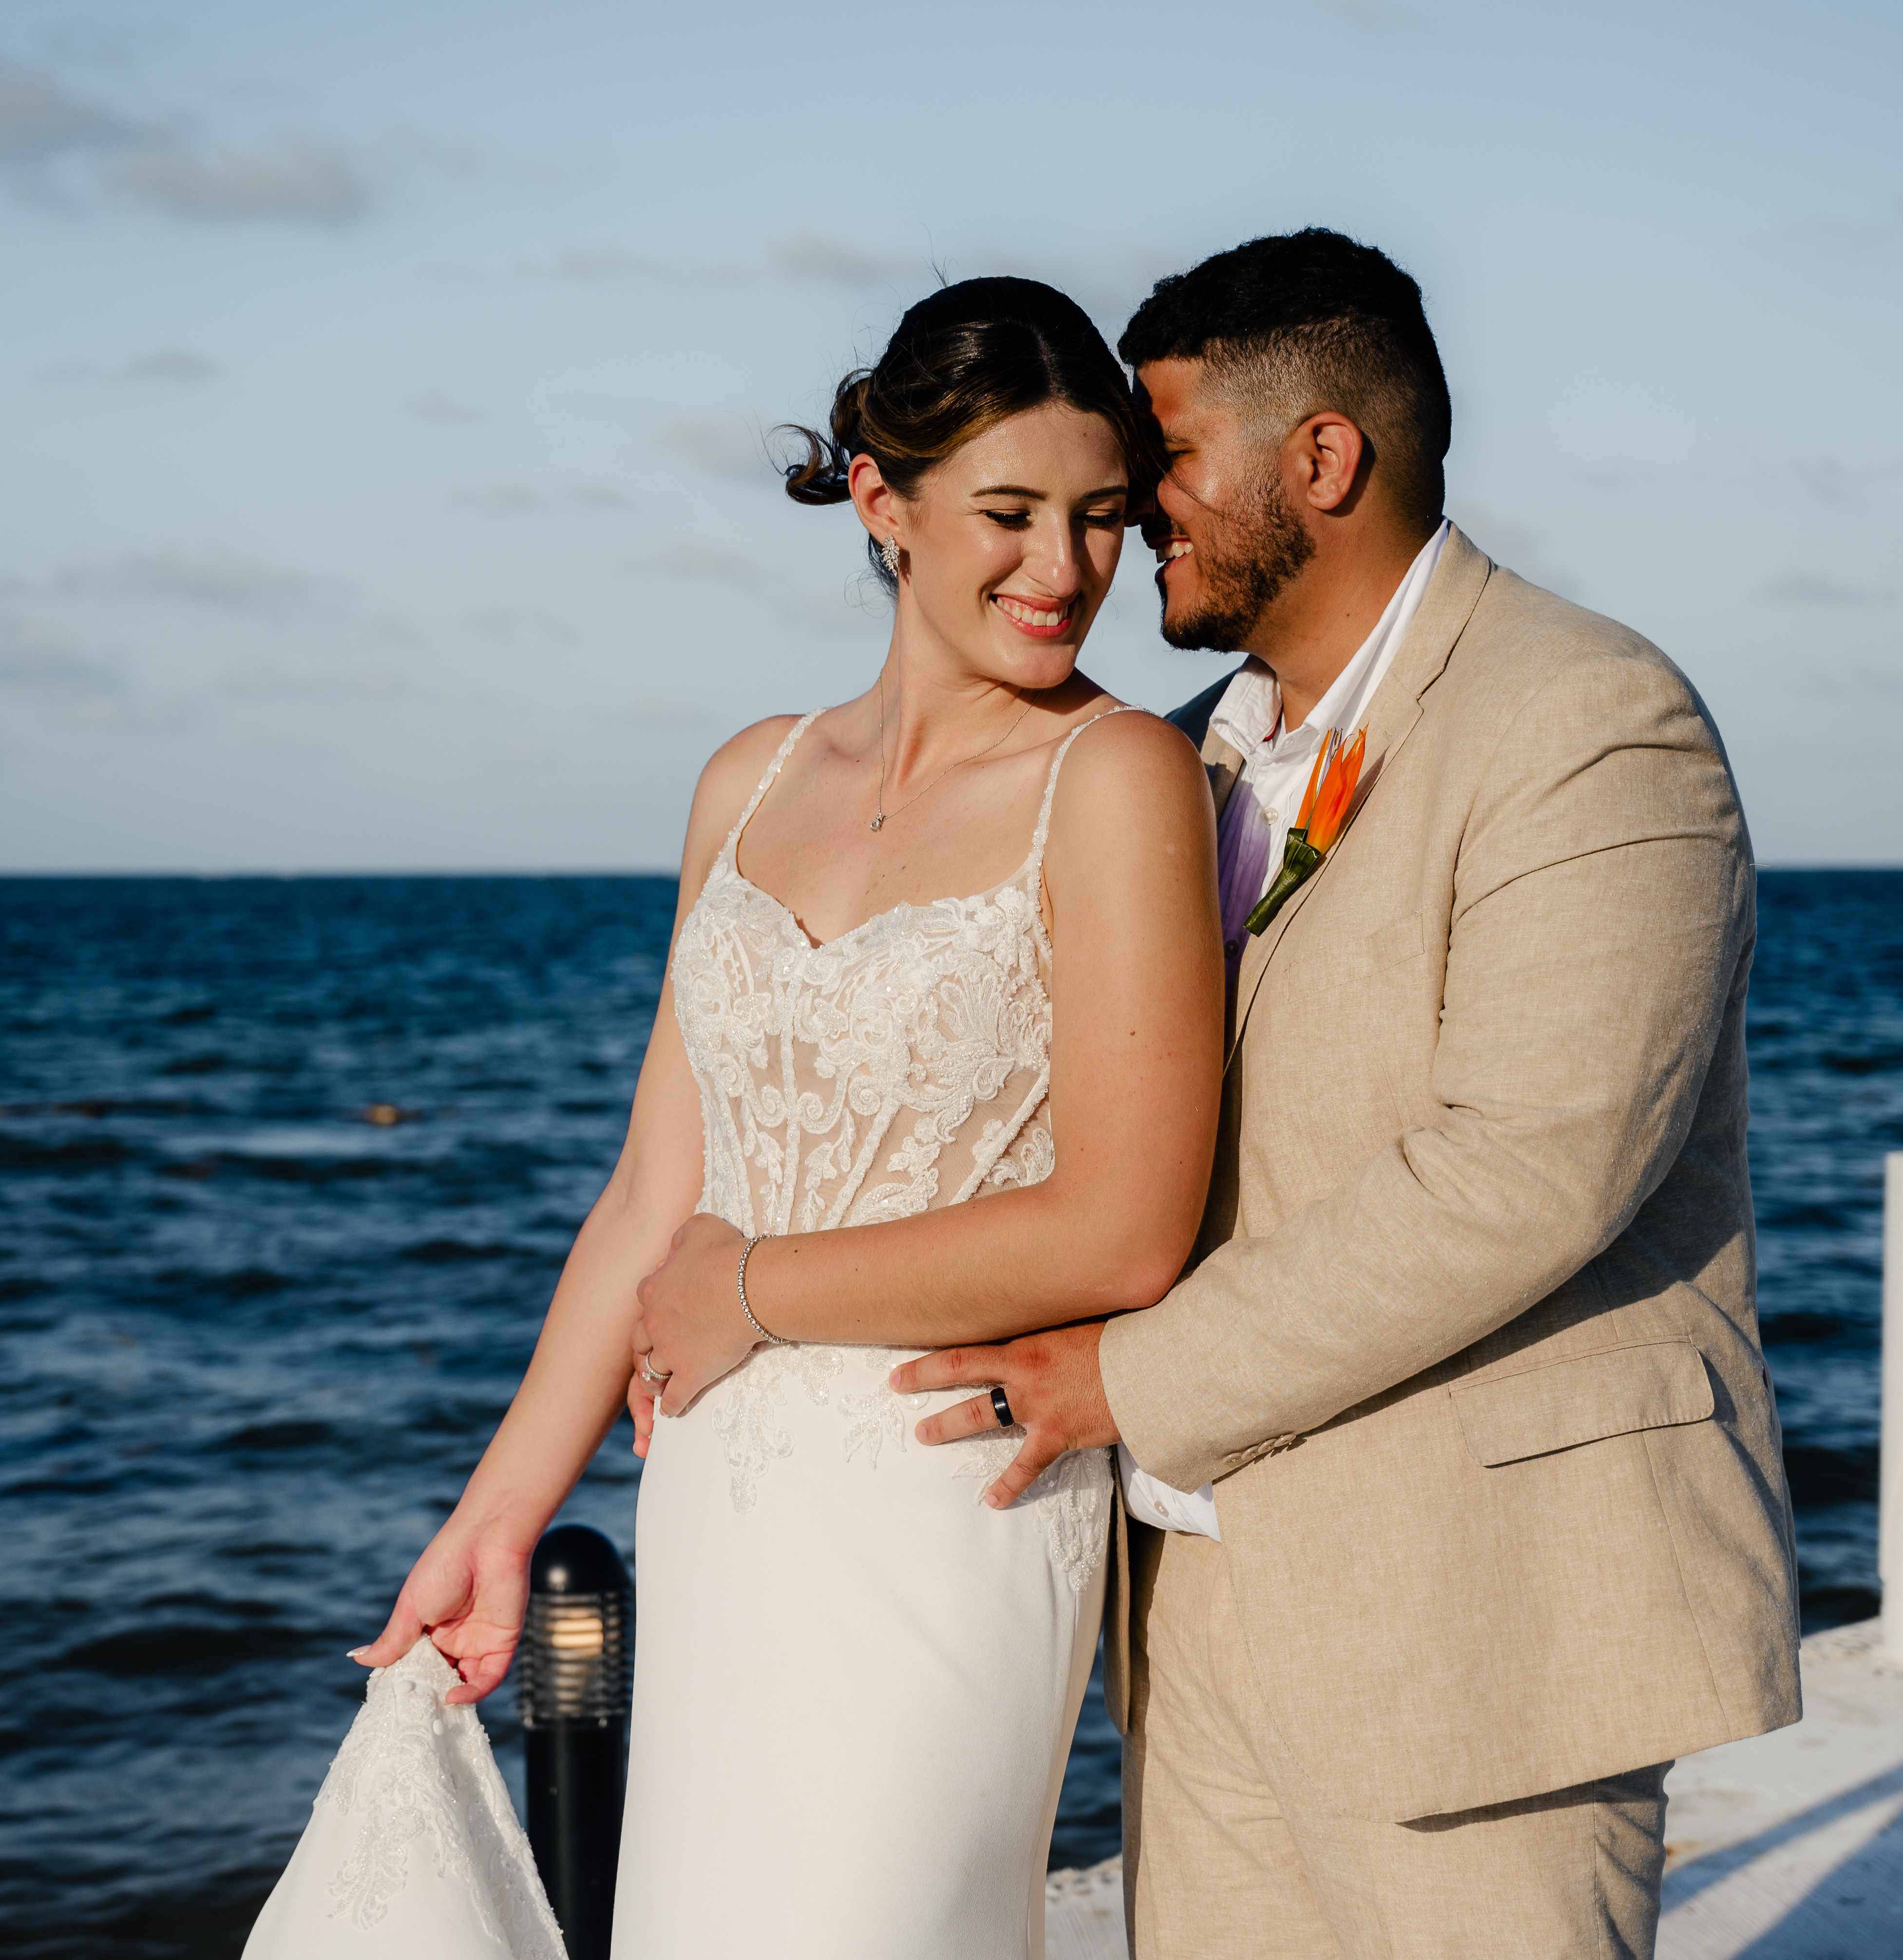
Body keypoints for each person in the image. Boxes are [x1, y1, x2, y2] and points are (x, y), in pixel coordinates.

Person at [861, 230, 1805, 1958]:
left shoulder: (1589, 719)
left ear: (1323, 458)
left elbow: (1528, 1168)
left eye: (1171, 456)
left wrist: (1122, 1380)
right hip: (1212, 1606)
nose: (1139, 505)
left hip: (1484, 1626)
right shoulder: (1192, 748)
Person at [273, 276, 1225, 1960]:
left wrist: (759, 1288)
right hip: (716, 1503)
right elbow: (654, 1193)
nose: (1065, 571)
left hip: (951, 1499)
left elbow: (1127, 1227)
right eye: (1009, 513)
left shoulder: (1120, 778)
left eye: (1096, 519)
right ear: (883, 497)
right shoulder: (751, 779)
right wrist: (491, 1526)